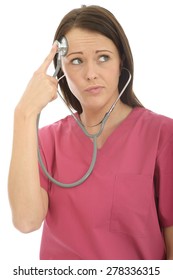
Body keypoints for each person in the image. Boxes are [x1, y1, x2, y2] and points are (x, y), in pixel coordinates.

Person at [8, 5, 173, 260]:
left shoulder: (163, 135)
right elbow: (26, 221)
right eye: (76, 61)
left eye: (103, 57)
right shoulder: (47, 141)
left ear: (122, 63)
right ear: (60, 72)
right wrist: (24, 114)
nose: (91, 74)